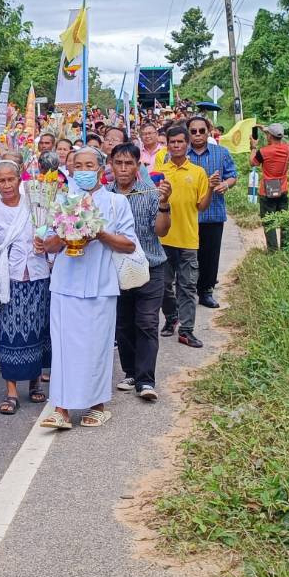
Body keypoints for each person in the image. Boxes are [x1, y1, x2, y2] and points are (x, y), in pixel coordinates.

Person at [36, 148, 139, 430]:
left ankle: (97, 405)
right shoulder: (61, 200)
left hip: (100, 285)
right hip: (65, 285)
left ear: (100, 168)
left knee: (97, 347)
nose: (83, 169)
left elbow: (129, 244)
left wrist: (100, 233)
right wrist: (65, 234)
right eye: (77, 164)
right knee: (64, 348)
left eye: (89, 164)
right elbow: (48, 244)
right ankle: (61, 409)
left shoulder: (117, 203)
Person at [0, 160, 50, 414]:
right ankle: (11, 391)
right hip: (8, 280)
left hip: (39, 275)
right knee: (11, 334)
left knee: (38, 330)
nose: (7, 185)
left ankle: (35, 381)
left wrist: (46, 245)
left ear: (19, 179)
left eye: (11, 179)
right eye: (1, 181)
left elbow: (51, 233)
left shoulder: (35, 204)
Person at [108, 143, 171, 400]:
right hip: (116, 269)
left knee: (146, 322)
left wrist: (165, 204)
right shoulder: (104, 195)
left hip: (150, 267)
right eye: (119, 163)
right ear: (111, 165)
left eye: (129, 163)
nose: (123, 168)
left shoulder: (149, 194)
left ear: (137, 166)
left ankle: (146, 381)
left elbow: (161, 231)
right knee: (123, 323)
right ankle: (130, 371)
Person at [158, 125, 212, 348]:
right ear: (168, 145)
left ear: (187, 144)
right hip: (162, 239)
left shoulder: (198, 173)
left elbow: (202, 206)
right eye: (173, 142)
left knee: (187, 286)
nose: (177, 145)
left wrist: (210, 189)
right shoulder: (160, 171)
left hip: (189, 239)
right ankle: (171, 317)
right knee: (162, 285)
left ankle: (187, 330)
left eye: (181, 142)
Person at [186, 116, 237, 309]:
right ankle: (187, 291)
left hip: (212, 213)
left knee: (210, 254)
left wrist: (225, 184)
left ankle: (206, 291)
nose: (198, 135)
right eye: (193, 131)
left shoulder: (221, 153)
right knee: (188, 256)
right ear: (188, 132)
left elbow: (232, 175)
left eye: (201, 130)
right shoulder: (181, 153)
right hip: (187, 215)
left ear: (209, 131)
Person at [253, 123, 289, 250]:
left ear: (269, 136)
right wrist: (266, 130)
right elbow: (278, 139)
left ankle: (273, 250)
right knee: (284, 219)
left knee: (269, 221)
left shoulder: (263, 151)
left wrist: (253, 147)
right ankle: (286, 247)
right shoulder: (288, 148)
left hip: (267, 190)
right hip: (282, 188)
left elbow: (252, 162)